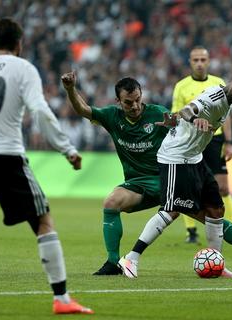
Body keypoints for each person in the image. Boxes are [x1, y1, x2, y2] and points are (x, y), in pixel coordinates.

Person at [0, 18, 93, 315]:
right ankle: (62, 300)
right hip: (7, 158)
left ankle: (63, 300)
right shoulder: (24, 69)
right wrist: (67, 148)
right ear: (20, 44)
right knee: (43, 221)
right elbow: (39, 111)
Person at [119, 69, 232, 279]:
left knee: (215, 209)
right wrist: (195, 120)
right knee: (172, 210)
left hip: (194, 158)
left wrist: (175, 122)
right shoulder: (214, 96)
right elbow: (187, 110)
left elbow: (180, 117)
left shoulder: (227, 103)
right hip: (175, 157)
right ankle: (131, 257)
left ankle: (216, 265)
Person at [61, 71, 172, 275]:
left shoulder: (158, 114)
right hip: (137, 184)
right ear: (118, 101)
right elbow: (83, 110)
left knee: (211, 214)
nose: (135, 106)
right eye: (128, 102)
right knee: (111, 203)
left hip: (166, 181)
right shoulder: (112, 116)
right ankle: (113, 263)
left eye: (138, 100)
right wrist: (70, 89)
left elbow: (182, 130)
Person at [172, 46, 232, 243]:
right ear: (190, 62)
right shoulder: (181, 86)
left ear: (208, 61)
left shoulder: (219, 83)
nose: (199, 63)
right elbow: (176, 114)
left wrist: (229, 142)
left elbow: (226, 117)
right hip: (191, 140)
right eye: (195, 60)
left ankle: (230, 228)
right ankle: (191, 231)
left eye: (203, 59)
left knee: (223, 188)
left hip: (215, 140)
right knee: (191, 187)